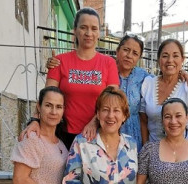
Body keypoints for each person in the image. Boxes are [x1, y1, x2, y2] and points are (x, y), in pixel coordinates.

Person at [47, 34, 188, 151]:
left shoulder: (145, 78)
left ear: (139, 58)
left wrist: (180, 73)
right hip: (105, 129)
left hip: (134, 136)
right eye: (126, 50)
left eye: (135, 53)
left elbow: (163, 78)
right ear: (117, 51)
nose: (129, 55)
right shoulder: (105, 69)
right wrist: (53, 63)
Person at [21, 7, 119, 150]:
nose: (89, 33)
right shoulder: (59, 61)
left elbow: (113, 100)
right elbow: (46, 98)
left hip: (97, 133)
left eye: (94, 28)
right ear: (75, 30)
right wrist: (35, 120)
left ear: (99, 33)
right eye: (83, 27)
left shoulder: (108, 63)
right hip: (62, 134)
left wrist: (95, 121)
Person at [139, 39, 188, 145]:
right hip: (153, 151)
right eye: (165, 56)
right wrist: (146, 148)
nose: (170, 60)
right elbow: (143, 121)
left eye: (175, 56)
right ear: (158, 60)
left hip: (181, 152)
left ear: (182, 59)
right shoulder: (148, 84)